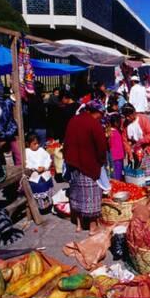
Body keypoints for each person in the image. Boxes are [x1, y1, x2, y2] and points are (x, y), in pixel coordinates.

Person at [63, 100, 108, 233]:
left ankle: (79, 224)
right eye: (101, 113)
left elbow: (66, 142)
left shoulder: (73, 120)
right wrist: (101, 162)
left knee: (76, 194)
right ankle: (92, 227)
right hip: (88, 165)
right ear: (95, 112)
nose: (102, 116)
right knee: (91, 195)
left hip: (73, 163)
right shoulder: (94, 124)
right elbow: (101, 146)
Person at [121, 103, 150, 182]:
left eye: (128, 116)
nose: (127, 118)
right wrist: (129, 153)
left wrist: (141, 142)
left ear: (134, 113)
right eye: (125, 116)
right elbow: (125, 140)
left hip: (144, 150)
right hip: (133, 151)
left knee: (144, 174)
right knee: (135, 173)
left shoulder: (144, 119)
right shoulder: (125, 124)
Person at [25, 133, 54, 213]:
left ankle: (49, 204)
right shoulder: (26, 152)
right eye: (34, 144)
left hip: (44, 172)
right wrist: (36, 168)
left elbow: (48, 159)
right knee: (39, 186)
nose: (37, 145)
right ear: (28, 144)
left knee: (48, 183)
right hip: (34, 176)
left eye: (38, 143)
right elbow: (27, 163)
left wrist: (44, 167)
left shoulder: (41, 150)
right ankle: (41, 207)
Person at [108, 113, 125, 181]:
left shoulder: (113, 131)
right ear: (116, 123)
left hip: (117, 156)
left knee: (116, 173)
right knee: (116, 174)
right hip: (116, 157)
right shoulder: (112, 133)